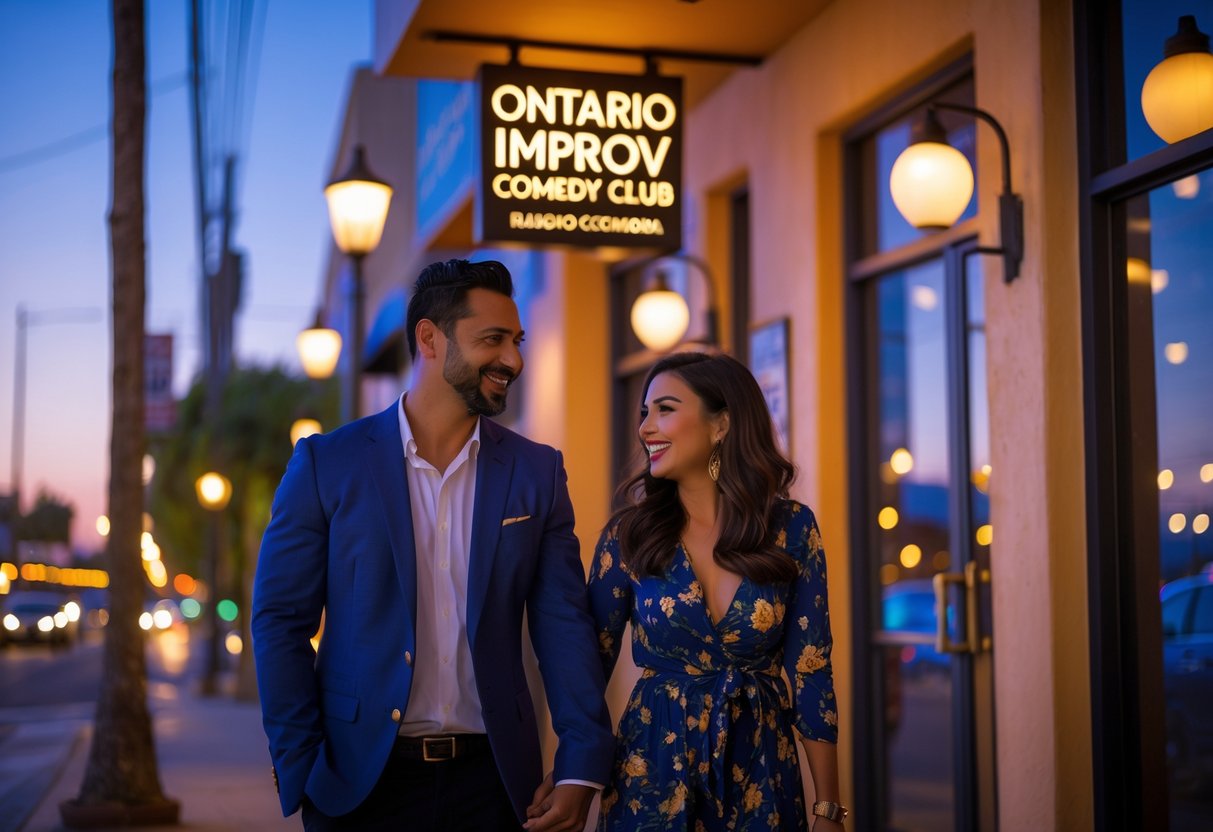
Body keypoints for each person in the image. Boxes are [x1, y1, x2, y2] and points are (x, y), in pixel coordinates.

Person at [252, 258, 615, 832]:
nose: (513, 360)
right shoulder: (327, 464)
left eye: (517, 341)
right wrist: (300, 766)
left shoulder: (536, 472)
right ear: (429, 337)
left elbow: (563, 625)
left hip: (497, 785)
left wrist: (579, 766)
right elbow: (279, 620)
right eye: (492, 339)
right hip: (359, 785)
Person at [578, 352, 845, 830]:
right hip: (652, 773)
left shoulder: (791, 528)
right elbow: (585, 667)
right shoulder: (628, 536)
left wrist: (827, 807)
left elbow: (811, 670)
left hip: (762, 772)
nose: (646, 428)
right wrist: (571, 781)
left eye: (665, 408)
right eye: (645, 413)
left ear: (721, 423)